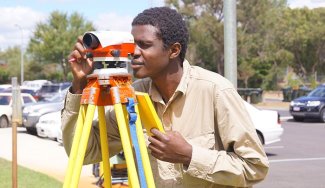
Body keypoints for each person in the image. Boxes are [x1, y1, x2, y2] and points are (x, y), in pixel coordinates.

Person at [62, 6, 269, 188]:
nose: (133, 52)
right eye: (132, 43)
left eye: (144, 44)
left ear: (173, 50)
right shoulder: (131, 95)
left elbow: (254, 167)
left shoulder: (215, 91)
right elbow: (83, 152)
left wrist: (189, 155)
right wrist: (79, 85)